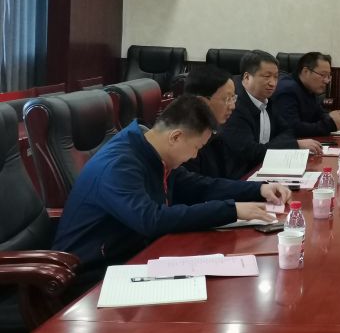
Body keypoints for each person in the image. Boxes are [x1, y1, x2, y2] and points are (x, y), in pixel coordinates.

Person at [53, 95, 290, 283]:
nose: (195, 156)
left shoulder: (151, 151)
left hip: (136, 254)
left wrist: (258, 190)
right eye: (196, 147)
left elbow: (199, 186)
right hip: (92, 273)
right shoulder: (119, 165)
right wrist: (232, 210)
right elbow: (151, 219)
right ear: (176, 137)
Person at [220, 50, 322, 171]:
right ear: (247, 77)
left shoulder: (268, 100)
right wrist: (293, 144)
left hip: (266, 167)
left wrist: (271, 146)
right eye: (267, 76)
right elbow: (252, 153)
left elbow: (288, 131)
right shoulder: (234, 107)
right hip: (242, 175)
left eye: (276, 77)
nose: (273, 83)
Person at [180, 63, 245, 179]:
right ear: (202, 102)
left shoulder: (216, 131)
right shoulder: (183, 140)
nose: (232, 106)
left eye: (233, 98)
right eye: (227, 99)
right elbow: (200, 186)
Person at [271, 51, 340, 138]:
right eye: (323, 75)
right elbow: (293, 129)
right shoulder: (287, 90)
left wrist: (332, 118)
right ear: (305, 71)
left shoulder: (309, 88)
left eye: (328, 76)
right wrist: (331, 124)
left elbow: (320, 113)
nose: (327, 81)